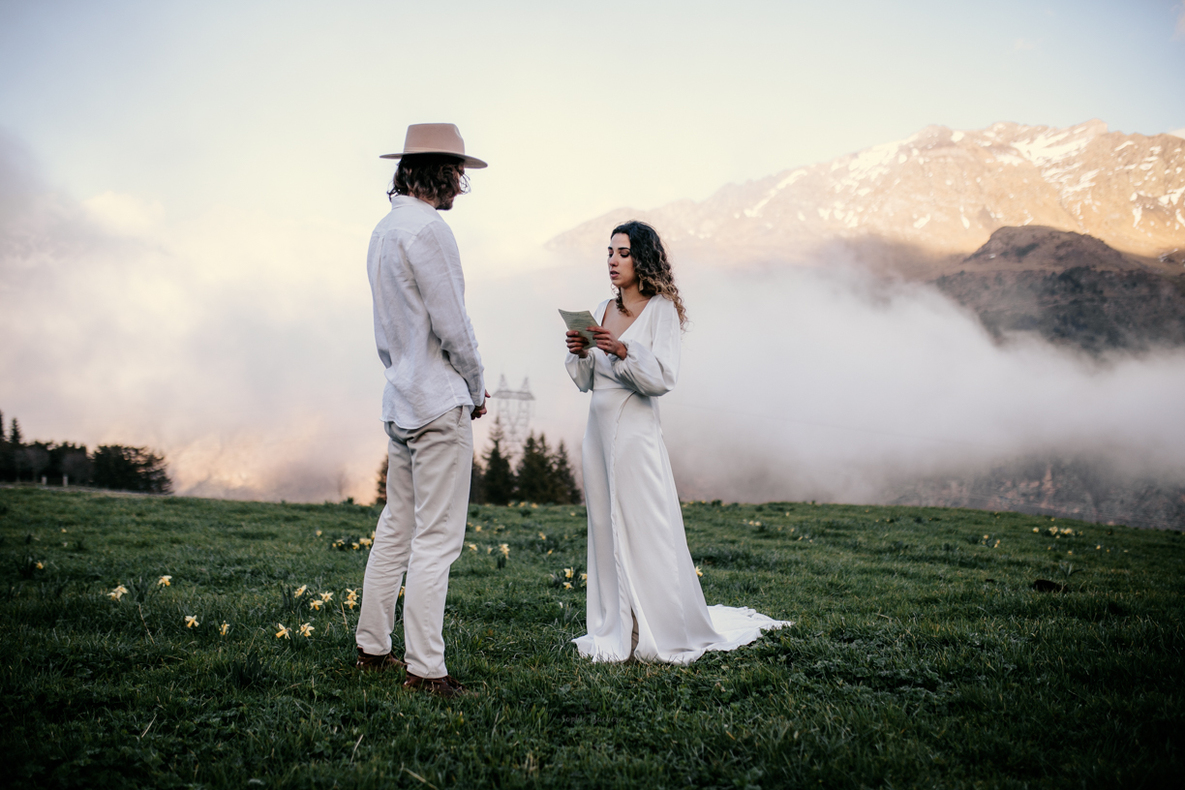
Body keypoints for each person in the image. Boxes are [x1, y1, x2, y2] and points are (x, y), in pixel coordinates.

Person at [564, 221, 791, 664]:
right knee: (604, 529)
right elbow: (586, 381)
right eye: (608, 252)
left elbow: (663, 377)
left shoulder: (661, 309)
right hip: (598, 431)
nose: (612, 260)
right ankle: (618, 628)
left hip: (635, 432)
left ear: (642, 258)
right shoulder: (600, 308)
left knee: (647, 526)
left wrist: (624, 351)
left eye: (623, 252)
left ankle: (662, 624)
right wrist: (580, 351)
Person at [355, 123, 489, 697]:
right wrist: (476, 385)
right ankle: (426, 668)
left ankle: (371, 647)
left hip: (400, 397)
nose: (461, 182)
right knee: (436, 539)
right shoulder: (430, 231)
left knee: (395, 529)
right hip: (438, 403)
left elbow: (390, 330)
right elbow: (452, 323)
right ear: (437, 172)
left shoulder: (384, 231)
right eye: (458, 171)